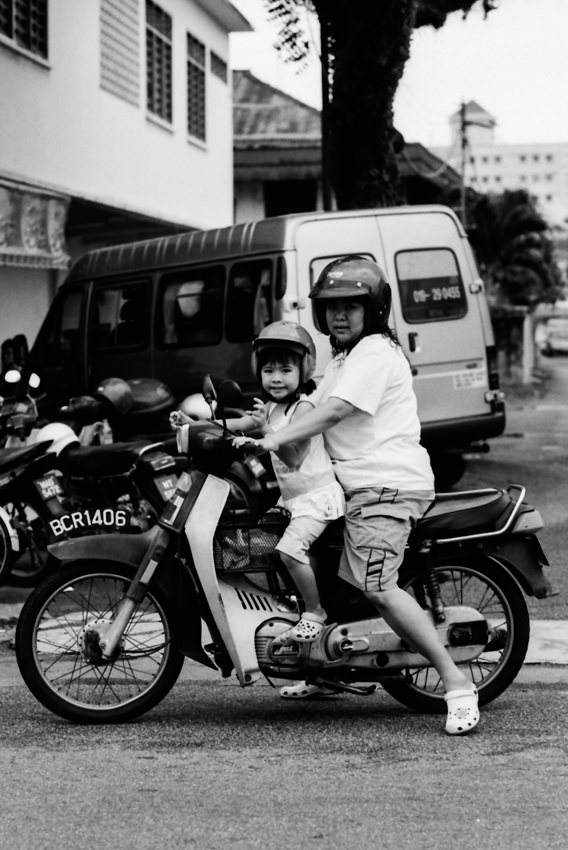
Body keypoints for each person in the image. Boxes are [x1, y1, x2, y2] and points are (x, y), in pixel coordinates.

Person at [234, 256, 480, 735]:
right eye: (331, 308)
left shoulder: (374, 353)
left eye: (351, 306)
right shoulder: (344, 360)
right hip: (351, 486)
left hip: (384, 485)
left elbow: (333, 412)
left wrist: (271, 440)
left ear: (373, 310)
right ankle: (323, 670)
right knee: (320, 569)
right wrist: (241, 425)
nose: (339, 316)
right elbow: (306, 403)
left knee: (376, 585)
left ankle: (456, 684)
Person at [171, 320, 345, 646]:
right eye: (268, 370)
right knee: (260, 547)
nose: (276, 378)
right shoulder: (270, 406)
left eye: (285, 369)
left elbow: (294, 456)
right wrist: (196, 424)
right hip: (292, 501)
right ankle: (295, 607)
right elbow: (235, 425)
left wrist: (266, 431)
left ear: (304, 370)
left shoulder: (304, 405)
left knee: (290, 552)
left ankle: (315, 613)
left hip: (316, 499)